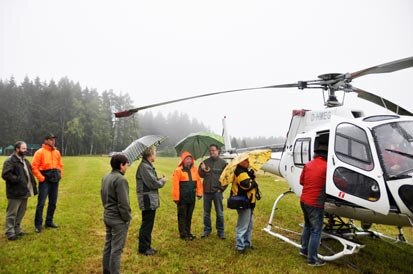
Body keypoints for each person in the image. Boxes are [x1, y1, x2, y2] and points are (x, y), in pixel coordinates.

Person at [101, 153, 131, 274]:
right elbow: (123, 203)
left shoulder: (106, 177)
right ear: (121, 165)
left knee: (108, 246)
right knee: (116, 249)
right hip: (118, 220)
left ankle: (106, 271)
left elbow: (102, 196)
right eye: (126, 164)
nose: (127, 167)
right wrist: (127, 218)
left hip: (108, 216)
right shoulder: (121, 180)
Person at [299, 144, 328, 267]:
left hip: (304, 200)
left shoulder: (308, 164)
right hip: (315, 203)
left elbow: (301, 181)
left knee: (307, 225)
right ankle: (312, 259)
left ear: (315, 154)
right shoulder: (327, 166)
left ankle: (304, 250)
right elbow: (336, 183)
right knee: (316, 230)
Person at [2, 141, 38, 240]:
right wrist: (17, 180)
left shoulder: (25, 160)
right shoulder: (10, 161)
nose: (25, 150)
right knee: (12, 213)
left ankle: (17, 229)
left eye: (25, 148)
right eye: (23, 148)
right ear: (17, 149)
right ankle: (10, 232)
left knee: (21, 211)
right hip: (15, 192)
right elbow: (6, 174)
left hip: (24, 191)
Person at [136, 146, 167, 256]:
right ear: (150, 154)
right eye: (155, 152)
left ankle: (146, 246)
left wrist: (158, 179)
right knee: (147, 224)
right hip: (147, 200)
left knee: (148, 223)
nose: (156, 154)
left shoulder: (146, 166)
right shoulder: (145, 167)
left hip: (148, 199)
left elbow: (150, 181)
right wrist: (162, 181)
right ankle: (144, 248)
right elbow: (152, 184)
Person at [32, 133, 64, 233]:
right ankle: (38, 224)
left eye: (54, 139)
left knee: (53, 203)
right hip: (45, 180)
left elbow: (60, 165)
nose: (53, 141)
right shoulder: (39, 152)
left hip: (55, 180)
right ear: (46, 140)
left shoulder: (57, 152)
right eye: (51, 139)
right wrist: (41, 178)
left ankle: (49, 222)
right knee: (41, 203)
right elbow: (34, 167)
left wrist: (60, 175)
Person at [198, 144, 227, 239]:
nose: (212, 152)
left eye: (214, 150)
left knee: (219, 213)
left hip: (217, 192)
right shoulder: (205, 162)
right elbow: (200, 175)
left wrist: (221, 189)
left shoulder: (223, 163)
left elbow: (227, 178)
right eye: (210, 150)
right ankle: (207, 230)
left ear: (218, 151)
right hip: (206, 191)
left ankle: (221, 231)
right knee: (206, 213)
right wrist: (202, 169)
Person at [172, 151, 203, 240]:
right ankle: (183, 234)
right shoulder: (178, 171)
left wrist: (199, 193)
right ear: (183, 160)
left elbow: (198, 182)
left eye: (190, 159)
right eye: (187, 159)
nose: (189, 161)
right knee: (182, 216)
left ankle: (188, 232)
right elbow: (175, 185)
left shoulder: (194, 170)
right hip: (182, 198)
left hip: (191, 197)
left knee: (189, 216)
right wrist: (176, 198)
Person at [231, 158, 259, 253]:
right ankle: (240, 246)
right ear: (240, 162)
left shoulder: (245, 171)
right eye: (245, 161)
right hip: (243, 202)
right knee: (243, 225)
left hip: (248, 202)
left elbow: (248, 181)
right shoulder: (240, 172)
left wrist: (251, 175)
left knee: (249, 224)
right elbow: (247, 185)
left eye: (248, 161)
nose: (248, 162)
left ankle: (247, 243)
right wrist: (254, 181)